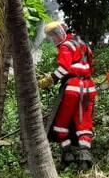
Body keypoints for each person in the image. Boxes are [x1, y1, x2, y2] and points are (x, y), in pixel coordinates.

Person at [40, 21, 97, 169]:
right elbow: (91, 60)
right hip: (88, 87)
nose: (54, 38)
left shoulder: (65, 46)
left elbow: (64, 69)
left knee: (61, 123)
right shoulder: (81, 43)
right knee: (84, 122)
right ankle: (85, 156)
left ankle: (67, 155)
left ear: (62, 32)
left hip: (73, 87)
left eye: (55, 35)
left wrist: (50, 79)